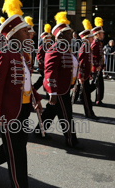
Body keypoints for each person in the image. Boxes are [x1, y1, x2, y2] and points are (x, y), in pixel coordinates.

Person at [0, 0, 42, 188]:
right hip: (7, 112)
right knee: (17, 154)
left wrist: (35, 97)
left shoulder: (22, 55)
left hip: (22, 109)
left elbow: (26, 83)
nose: (29, 34)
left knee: (17, 147)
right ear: (14, 33)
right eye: (25, 31)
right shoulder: (4, 53)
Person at [35, 12, 81, 149]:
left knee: (51, 111)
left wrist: (74, 83)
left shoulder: (66, 49)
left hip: (65, 87)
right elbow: (50, 73)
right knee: (66, 115)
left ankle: (39, 131)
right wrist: (52, 92)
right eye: (68, 34)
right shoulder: (54, 50)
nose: (71, 36)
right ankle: (71, 140)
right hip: (59, 89)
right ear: (60, 36)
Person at [78, 19, 98, 120]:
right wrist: (80, 76)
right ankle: (89, 113)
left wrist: (88, 74)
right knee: (86, 97)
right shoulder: (84, 47)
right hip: (82, 77)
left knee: (86, 95)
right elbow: (81, 63)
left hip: (85, 75)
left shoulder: (88, 47)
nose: (92, 38)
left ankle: (89, 112)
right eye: (91, 37)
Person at [33, 24, 53, 93]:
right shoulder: (42, 46)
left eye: (50, 37)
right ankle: (34, 89)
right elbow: (39, 57)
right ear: (45, 39)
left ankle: (35, 89)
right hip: (44, 67)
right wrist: (44, 65)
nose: (50, 39)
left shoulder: (50, 46)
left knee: (44, 79)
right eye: (49, 37)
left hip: (47, 66)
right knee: (44, 79)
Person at [91, 17, 105, 106]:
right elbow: (92, 56)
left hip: (99, 66)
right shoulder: (95, 43)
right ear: (98, 34)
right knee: (98, 85)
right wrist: (97, 66)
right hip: (96, 68)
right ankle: (98, 100)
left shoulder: (99, 43)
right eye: (102, 33)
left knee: (96, 84)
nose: (103, 34)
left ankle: (98, 99)